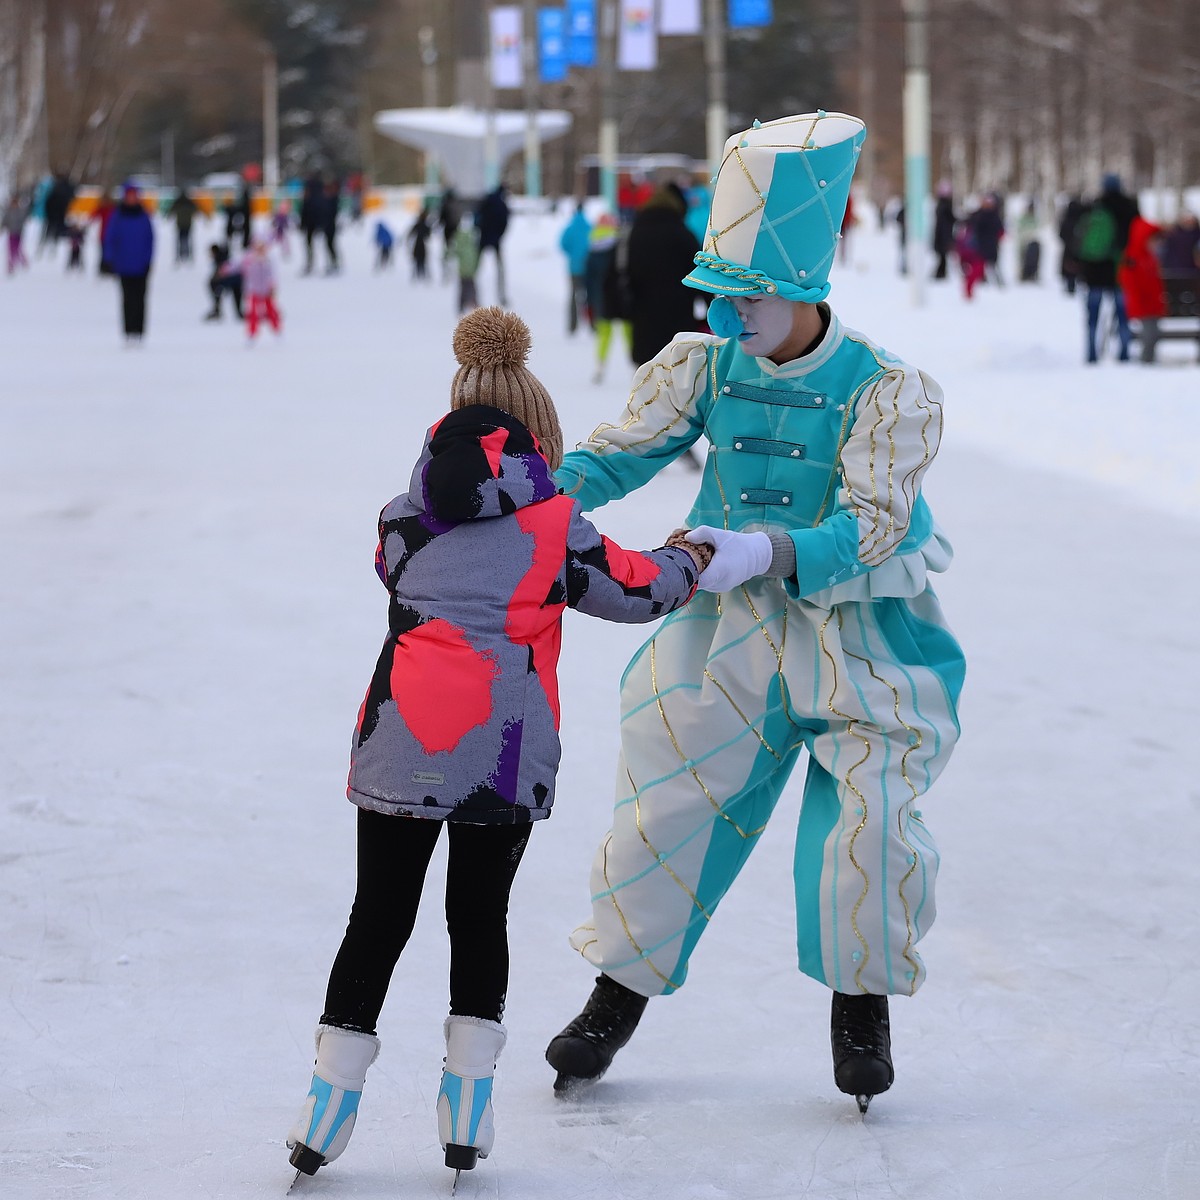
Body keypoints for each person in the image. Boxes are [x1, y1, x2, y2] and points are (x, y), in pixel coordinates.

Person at [542, 112, 965, 1115]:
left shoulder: (885, 389)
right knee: (670, 798)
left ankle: (860, 1005)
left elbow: (875, 528)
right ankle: (615, 995)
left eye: (749, 302)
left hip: (862, 630)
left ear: (803, 293)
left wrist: (765, 550)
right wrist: (531, 499)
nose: (729, 320)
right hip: (724, 630)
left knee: (870, 824)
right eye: (721, 301)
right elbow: (616, 455)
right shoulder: (706, 363)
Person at [284, 306, 743, 1183]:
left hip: (400, 740)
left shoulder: (403, 519)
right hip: (504, 751)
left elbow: (393, 569)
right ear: (539, 436)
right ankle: (466, 1112)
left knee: (376, 918)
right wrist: (687, 554)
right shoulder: (555, 526)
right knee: (477, 920)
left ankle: (324, 1112)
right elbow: (634, 590)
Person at [625, 182, 701, 368]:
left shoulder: (636, 232)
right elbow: (699, 273)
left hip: (643, 316)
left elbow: (626, 271)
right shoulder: (682, 233)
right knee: (679, 376)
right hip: (678, 316)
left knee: (647, 379)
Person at [1077, 172, 1139, 363]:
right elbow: (1138, 235)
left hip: (1095, 268)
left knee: (1093, 315)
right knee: (1122, 314)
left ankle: (1091, 353)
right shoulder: (1129, 207)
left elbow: (1081, 234)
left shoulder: (1094, 206)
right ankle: (1124, 353)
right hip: (1120, 267)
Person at [583, 212, 632, 383]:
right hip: (621, 296)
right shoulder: (621, 246)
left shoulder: (592, 247)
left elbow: (588, 278)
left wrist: (589, 302)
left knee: (603, 336)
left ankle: (600, 366)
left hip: (601, 298)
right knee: (628, 333)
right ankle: (635, 367)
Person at [102, 184, 155, 342]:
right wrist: (109, 259)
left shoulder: (143, 215)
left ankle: (139, 330)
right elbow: (110, 238)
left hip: (141, 265)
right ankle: (128, 330)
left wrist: (148, 260)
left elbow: (150, 240)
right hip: (123, 264)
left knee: (140, 299)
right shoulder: (117, 216)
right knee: (127, 298)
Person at [559, 201, 592, 334]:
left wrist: (572, 254)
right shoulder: (589, 226)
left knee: (573, 295)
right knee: (589, 296)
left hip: (574, 267)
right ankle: (591, 323)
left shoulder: (570, 227)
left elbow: (562, 243)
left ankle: (573, 325)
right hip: (587, 267)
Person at [241, 238, 282, 340]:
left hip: (266, 290)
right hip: (254, 290)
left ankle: (277, 330)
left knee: (271, 310)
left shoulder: (269, 260)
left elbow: (273, 275)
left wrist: (272, 286)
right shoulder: (250, 260)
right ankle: (252, 332)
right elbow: (243, 271)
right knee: (253, 312)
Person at [475, 185, 510, 305]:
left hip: (483, 239)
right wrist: (499, 236)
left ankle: (474, 297)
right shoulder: (502, 205)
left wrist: (480, 231)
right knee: (500, 270)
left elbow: (477, 218)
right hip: (496, 241)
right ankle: (502, 295)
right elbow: (505, 223)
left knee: (475, 270)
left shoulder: (485, 201)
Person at [203, 242, 243, 321]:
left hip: (232, 280)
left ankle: (218, 310)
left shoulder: (220, 259)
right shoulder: (223, 256)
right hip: (235, 280)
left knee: (218, 291)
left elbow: (221, 272)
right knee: (235, 295)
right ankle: (238, 312)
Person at [450, 220, 481, 314]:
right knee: (470, 288)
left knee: (465, 289)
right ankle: (470, 303)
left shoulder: (462, 247)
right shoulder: (472, 247)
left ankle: (465, 304)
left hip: (464, 272)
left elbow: (452, 253)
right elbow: (477, 260)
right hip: (469, 272)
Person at [1057, 195, 1086, 295]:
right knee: (1077, 266)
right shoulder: (1082, 220)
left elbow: (1061, 234)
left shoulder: (1067, 219)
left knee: (1069, 267)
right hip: (1080, 248)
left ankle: (1070, 285)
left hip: (1069, 249)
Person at [930, 182, 956, 280]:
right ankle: (940, 273)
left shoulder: (940, 205)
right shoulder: (945, 206)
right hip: (943, 235)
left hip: (941, 235)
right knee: (942, 256)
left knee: (942, 256)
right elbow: (951, 219)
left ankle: (941, 273)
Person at [170, 188, 199, 263]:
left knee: (180, 240)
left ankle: (179, 255)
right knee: (187, 240)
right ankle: (188, 255)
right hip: (188, 224)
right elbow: (195, 210)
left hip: (180, 224)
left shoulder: (178, 201)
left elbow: (171, 210)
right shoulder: (189, 202)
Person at [3, 192, 29, 274]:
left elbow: (23, 220)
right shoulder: (8, 211)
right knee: (10, 249)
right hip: (11, 233)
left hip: (18, 233)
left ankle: (23, 261)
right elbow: (5, 220)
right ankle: (11, 265)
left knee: (17, 249)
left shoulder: (20, 211)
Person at [1016, 200, 1041, 283]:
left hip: (1033, 243)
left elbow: (1038, 230)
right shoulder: (1023, 218)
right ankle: (1023, 274)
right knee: (1022, 259)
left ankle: (1033, 273)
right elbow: (1020, 230)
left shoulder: (1036, 219)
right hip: (1023, 243)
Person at [407, 208, 433, 280]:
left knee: (418, 261)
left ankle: (418, 276)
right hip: (422, 245)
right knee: (423, 261)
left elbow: (411, 234)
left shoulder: (418, 224)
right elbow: (428, 236)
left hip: (418, 245)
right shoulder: (426, 225)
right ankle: (422, 276)